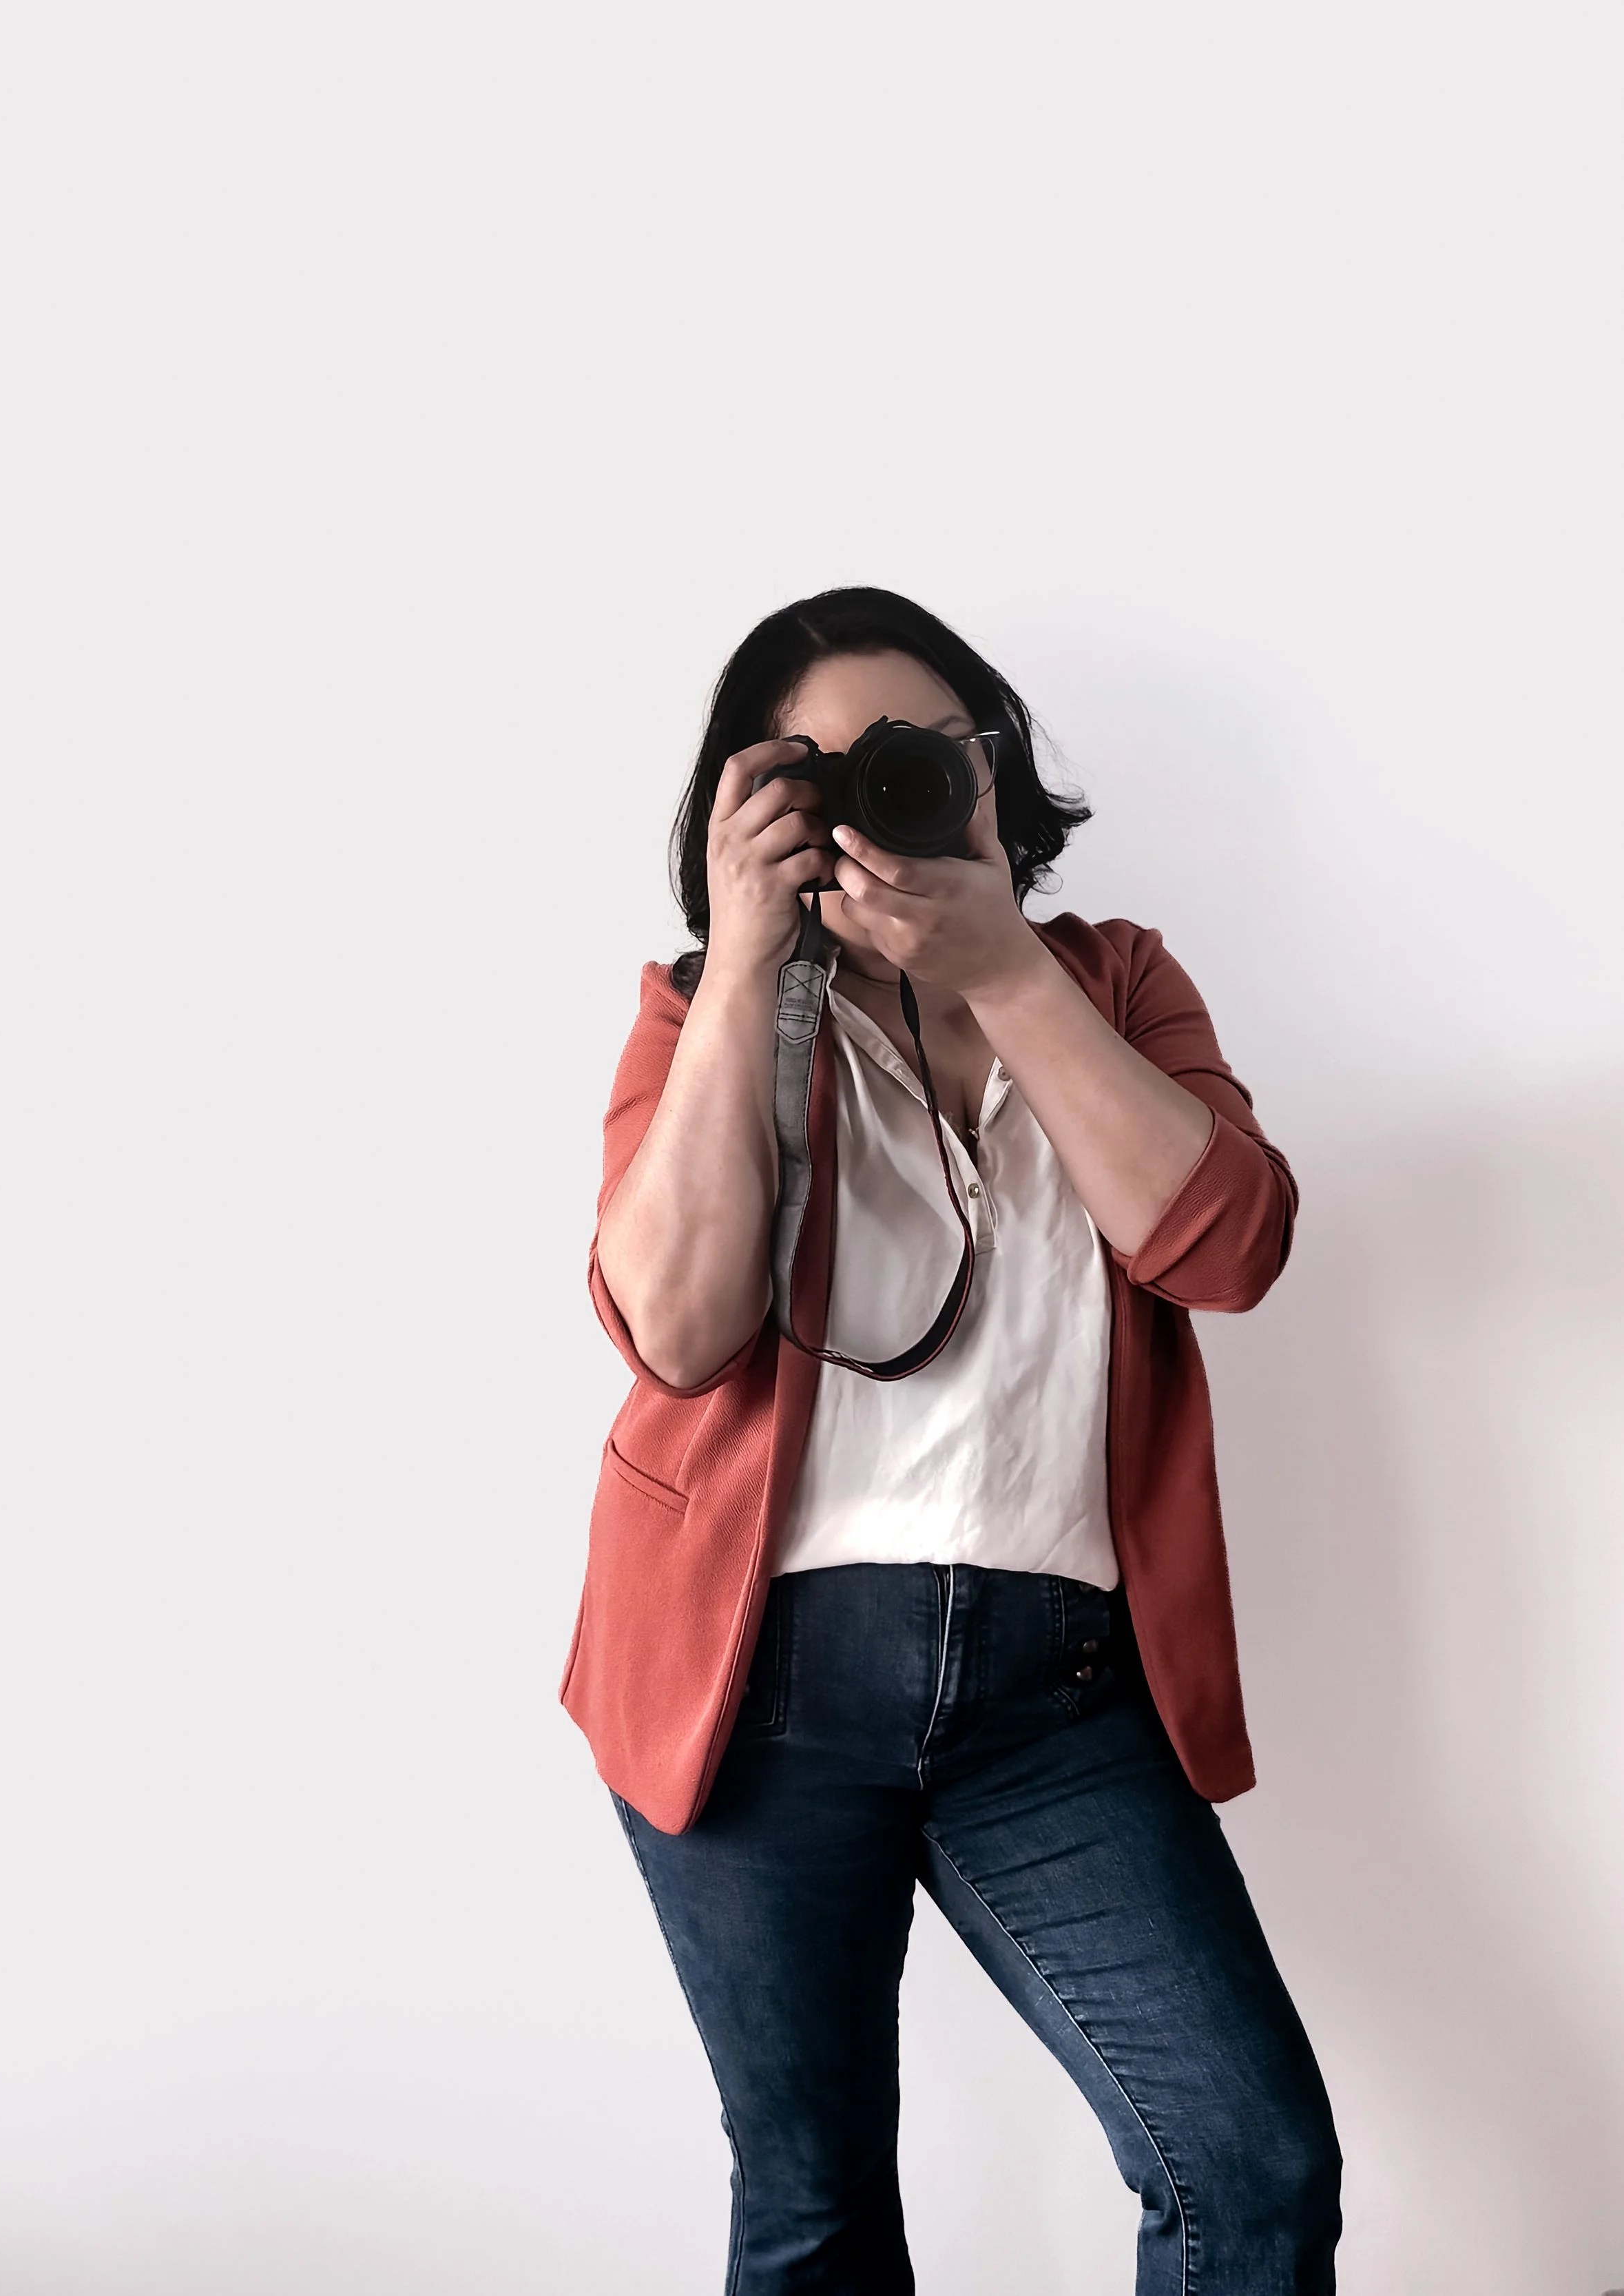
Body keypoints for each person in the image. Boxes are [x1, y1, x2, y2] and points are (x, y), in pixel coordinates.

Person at [561, 588, 1342, 2294]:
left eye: (916, 753)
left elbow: (1229, 1247)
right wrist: (750, 955)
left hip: (1055, 1703)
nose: (872, 792)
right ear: (741, 806)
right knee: (815, 2206)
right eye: (812, 773)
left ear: (987, 765)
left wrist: (995, 965)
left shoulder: (1114, 979)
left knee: (1248, 2162)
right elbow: (675, 1328)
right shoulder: (700, 1006)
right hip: (746, 1681)